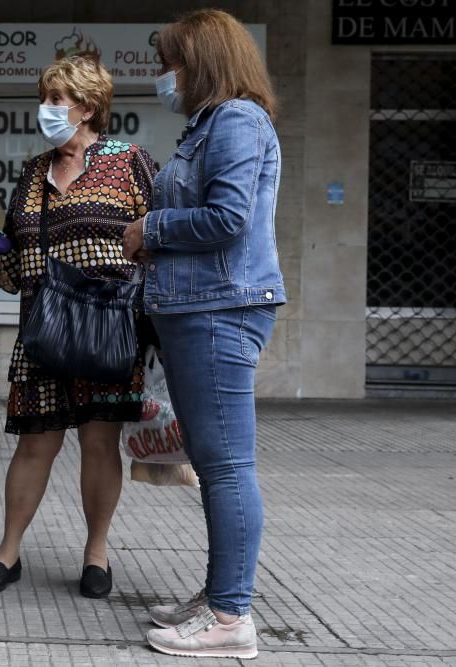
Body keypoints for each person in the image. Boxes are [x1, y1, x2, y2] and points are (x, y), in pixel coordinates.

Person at [0, 56, 157, 600]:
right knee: (34, 444)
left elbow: (158, 241)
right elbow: (10, 259)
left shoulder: (130, 163)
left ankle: (96, 554)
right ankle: (8, 553)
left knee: (99, 443)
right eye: (47, 98)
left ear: (87, 107)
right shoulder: (33, 173)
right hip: (44, 329)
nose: (47, 110)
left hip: (107, 328)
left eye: (57, 100)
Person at [121, 9, 286, 660]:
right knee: (216, 464)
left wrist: (149, 231)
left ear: (204, 62)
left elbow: (227, 217)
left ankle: (230, 616)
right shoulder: (210, 125)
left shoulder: (238, 120)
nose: (165, 75)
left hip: (219, 309)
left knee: (225, 466)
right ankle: (221, 593)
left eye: (171, 62)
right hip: (198, 307)